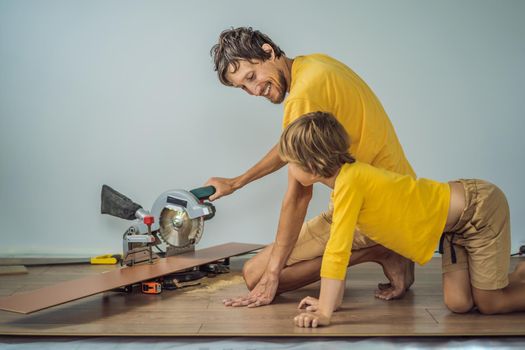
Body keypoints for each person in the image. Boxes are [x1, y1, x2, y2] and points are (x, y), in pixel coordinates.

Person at [206, 27, 416, 307]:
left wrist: (272, 274)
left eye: (252, 76)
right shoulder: (315, 65)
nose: (254, 90)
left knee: (254, 275)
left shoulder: (303, 97)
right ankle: (385, 246)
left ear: (268, 51)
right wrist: (236, 182)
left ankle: (383, 250)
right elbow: (288, 146)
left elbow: (298, 195)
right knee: (270, 267)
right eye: (243, 87)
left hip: (371, 208)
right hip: (397, 191)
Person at [279, 111, 525, 328]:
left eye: (290, 162)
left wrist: (325, 311)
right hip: (454, 230)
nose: (287, 167)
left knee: (491, 303)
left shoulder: (351, 182)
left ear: (312, 166)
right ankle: (514, 274)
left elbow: (337, 251)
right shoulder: (346, 182)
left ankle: (498, 283)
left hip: (478, 209)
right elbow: (340, 244)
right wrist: (329, 301)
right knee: (459, 303)